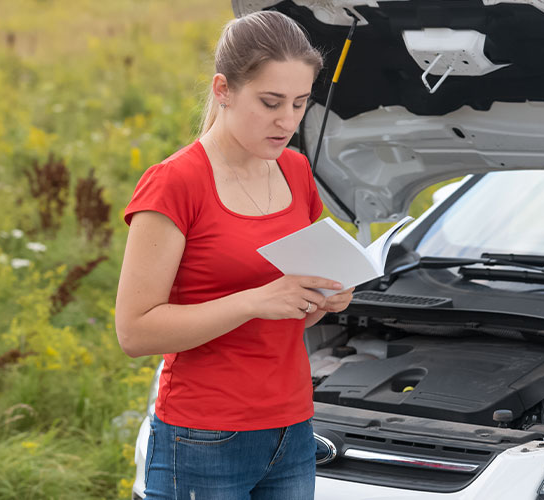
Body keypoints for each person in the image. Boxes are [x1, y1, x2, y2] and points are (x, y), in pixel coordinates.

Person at [115, 10, 353, 500]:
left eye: (300, 103)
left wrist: (324, 298)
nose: (287, 121)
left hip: (293, 426)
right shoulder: (175, 183)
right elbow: (134, 332)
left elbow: (289, 316)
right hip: (203, 435)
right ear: (223, 89)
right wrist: (254, 300)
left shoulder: (295, 170)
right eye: (270, 103)